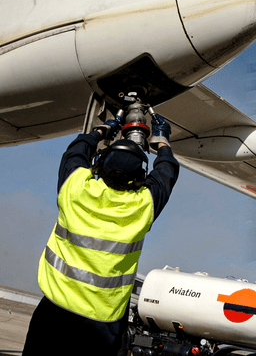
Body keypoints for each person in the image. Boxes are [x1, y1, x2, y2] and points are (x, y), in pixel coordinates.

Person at [22, 115, 179, 356]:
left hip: (55, 313)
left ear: (100, 165)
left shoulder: (75, 191)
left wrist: (100, 132)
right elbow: (166, 173)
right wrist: (162, 142)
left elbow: (75, 152)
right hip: (101, 324)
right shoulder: (142, 207)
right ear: (139, 178)